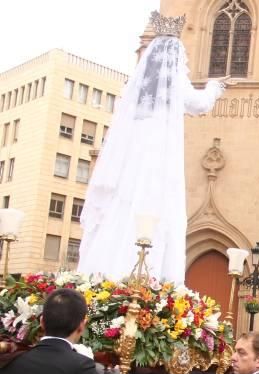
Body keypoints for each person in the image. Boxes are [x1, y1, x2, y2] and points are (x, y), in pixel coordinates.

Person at [78, 11, 228, 283]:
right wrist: (215, 87)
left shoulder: (136, 97)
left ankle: (104, 273)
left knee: (122, 207)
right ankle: (147, 276)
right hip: (160, 157)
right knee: (156, 205)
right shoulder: (173, 83)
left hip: (130, 160)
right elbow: (198, 104)